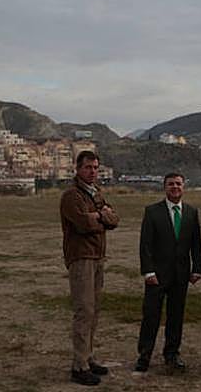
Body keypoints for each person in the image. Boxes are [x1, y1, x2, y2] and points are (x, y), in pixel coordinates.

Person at [60, 150, 120, 386]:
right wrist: (102, 217)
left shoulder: (96, 193)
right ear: (78, 169)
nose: (93, 171)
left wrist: (101, 217)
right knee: (84, 311)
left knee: (94, 310)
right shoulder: (71, 196)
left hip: (97, 256)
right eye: (88, 167)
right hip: (81, 257)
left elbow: (115, 220)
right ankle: (79, 366)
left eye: (95, 167)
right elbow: (83, 224)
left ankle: (88, 356)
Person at [135, 172, 201, 373]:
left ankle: (172, 354)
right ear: (165, 187)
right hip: (157, 274)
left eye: (178, 184)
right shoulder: (152, 212)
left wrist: (197, 268)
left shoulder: (191, 212)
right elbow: (145, 245)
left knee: (176, 316)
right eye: (171, 184)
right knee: (151, 316)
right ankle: (144, 355)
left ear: (184, 187)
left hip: (180, 274)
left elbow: (196, 243)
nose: (175, 187)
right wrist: (148, 271)